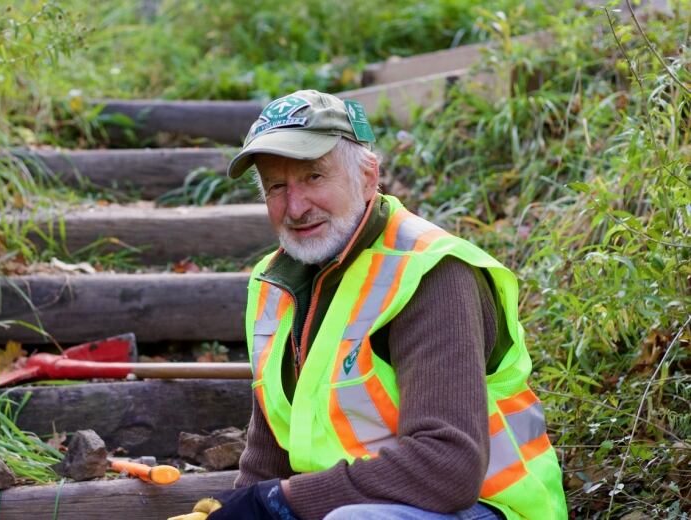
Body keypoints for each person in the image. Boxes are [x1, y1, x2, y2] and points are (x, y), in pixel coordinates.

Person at [170, 90, 566, 520]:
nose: (296, 206)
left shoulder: (430, 272)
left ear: (368, 177)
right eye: (277, 187)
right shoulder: (274, 284)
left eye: (314, 177)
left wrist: (281, 502)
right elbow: (269, 459)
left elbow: (448, 468)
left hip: (492, 507)